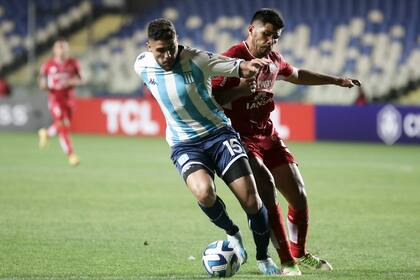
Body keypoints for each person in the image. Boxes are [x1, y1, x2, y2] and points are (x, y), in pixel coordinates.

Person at [212, 8, 361, 275]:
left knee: (299, 195)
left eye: (275, 37)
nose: (270, 41)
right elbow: (213, 100)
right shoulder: (232, 59)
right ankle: (285, 262)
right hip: (239, 137)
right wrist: (241, 90)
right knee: (267, 189)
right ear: (251, 30)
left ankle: (299, 253)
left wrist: (336, 81)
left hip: (267, 134)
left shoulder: (273, 59)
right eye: (266, 34)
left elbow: (298, 74)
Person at [134, 18, 280, 275]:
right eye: (160, 50)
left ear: (177, 41)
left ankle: (263, 256)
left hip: (219, 134)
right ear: (148, 47)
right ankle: (233, 233)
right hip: (185, 144)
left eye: (172, 47)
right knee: (203, 193)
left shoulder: (197, 59)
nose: (168, 55)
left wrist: (248, 67)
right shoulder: (142, 65)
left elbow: (235, 66)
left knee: (250, 198)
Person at [38, 39, 83, 166]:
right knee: (63, 125)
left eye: (64, 48)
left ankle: (46, 133)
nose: (62, 50)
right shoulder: (48, 65)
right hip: (55, 99)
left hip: (69, 99)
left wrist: (72, 82)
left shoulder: (73, 63)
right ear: (55, 50)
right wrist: (46, 86)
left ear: (67, 50)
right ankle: (71, 155)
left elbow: (81, 79)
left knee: (64, 123)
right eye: (59, 48)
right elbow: (41, 82)